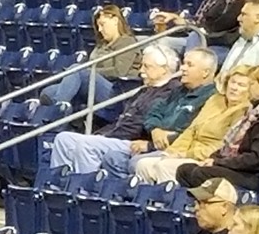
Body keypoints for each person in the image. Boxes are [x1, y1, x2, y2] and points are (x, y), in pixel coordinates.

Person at [46, 43, 183, 173]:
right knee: (63, 139)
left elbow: (138, 126)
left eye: (147, 66)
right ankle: (58, 182)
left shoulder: (172, 92)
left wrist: (106, 137)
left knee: (85, 145)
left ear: (164, 69)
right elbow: (121, 120)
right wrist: (102, 134)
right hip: (116, 136)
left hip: (132, 141)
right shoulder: (144, 90)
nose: (141, 71)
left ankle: (86, 186)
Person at [177, 63, 259, 192]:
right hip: (241, 168)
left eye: (252, 83)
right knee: (185, 170)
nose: (249, 88)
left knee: (201, 173)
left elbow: (255, 159)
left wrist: (218, 163)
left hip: (257, 176)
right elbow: (228, 147)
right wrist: (212, 159)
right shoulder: (254, 112)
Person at [135, 64, 253, 183]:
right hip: (186, 152)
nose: (234, 88)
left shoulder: (244, 111)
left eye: (241, 85)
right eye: (233, 82)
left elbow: (222, 146)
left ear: (250, 90)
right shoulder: (215, 100)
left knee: (164, 167)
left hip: (206, 158)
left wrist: (185, 154)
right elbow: (191, 130)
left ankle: (168, 194)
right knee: (143, 165)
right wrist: (172, 152)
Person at [40, 5, 141, 105]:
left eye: (102, 24)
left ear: (115, 21)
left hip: (116, 90)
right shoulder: (101, 45)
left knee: (77, 70)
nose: (100, 30)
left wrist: (91, 71)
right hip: (94, 85)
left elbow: (119, 72)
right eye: (98, 26)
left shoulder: (127, 42)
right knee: (47, 93)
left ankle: (59, 108)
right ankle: (62, 108)